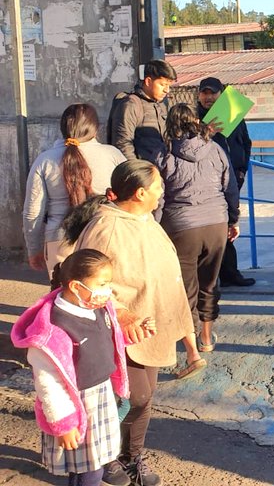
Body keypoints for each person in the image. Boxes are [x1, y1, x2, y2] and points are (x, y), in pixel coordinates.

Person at [64, 160, 194, 486]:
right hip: (119, 331)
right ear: (139, 193)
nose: (162, 191)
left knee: (144, 396)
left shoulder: (145, 220)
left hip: (151, 326)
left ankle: (131, 456)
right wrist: (120, 313)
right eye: (158, 187)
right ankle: (104, 456)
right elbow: (84, 282)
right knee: (129, 398)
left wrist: (187, 335)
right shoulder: (106, 227)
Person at [11, 249, 132, 486]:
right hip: (76, 405)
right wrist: (64, 424)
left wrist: (131, 337)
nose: (108, 290)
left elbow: (106, 339)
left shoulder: (97, 308)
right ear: (77, 286)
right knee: (88, 472)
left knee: (92, 464)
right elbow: (49, 383)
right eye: (102, 284)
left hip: (100, 396)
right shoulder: (51, 331)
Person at [159, 104, 240, 368]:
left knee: (186, 289)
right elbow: (230, 187)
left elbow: (157, 195)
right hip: (216, 222)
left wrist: (155, 227)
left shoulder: (164, 154)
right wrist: (233, 218)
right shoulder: (215, 149)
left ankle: (192, 351)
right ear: (195, 122)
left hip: (181, 226)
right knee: (209, 282)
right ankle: (207, 337)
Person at [23, 104, 125, 277]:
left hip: (59, 239)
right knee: (105, 297)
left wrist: (34, 249)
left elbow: (33, 213)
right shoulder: (113, 155)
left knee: (64, 298)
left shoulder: (45, 160)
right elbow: (129, 195)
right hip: (104, 235)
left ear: (63, 128)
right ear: (96, 129)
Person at [196, 77, 255, 288]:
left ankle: (230, 273)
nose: (209, 97)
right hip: (206, 181)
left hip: (232, 179)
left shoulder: (233, 115)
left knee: (229, 223)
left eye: (213, 93)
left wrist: (242, 170)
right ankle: (208, 277)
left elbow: (245, 143)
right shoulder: (194, 119)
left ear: (221, 94)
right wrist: (206, 132)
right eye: (205, 93)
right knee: (212, 227)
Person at [107, 59, 176, 165]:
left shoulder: (160, 105)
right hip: (142, 174)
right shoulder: (131, 104)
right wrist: (138, 173)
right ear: (148, 81)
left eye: (169, 86)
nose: (167, 90)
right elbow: (123, 143)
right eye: (162, 84)